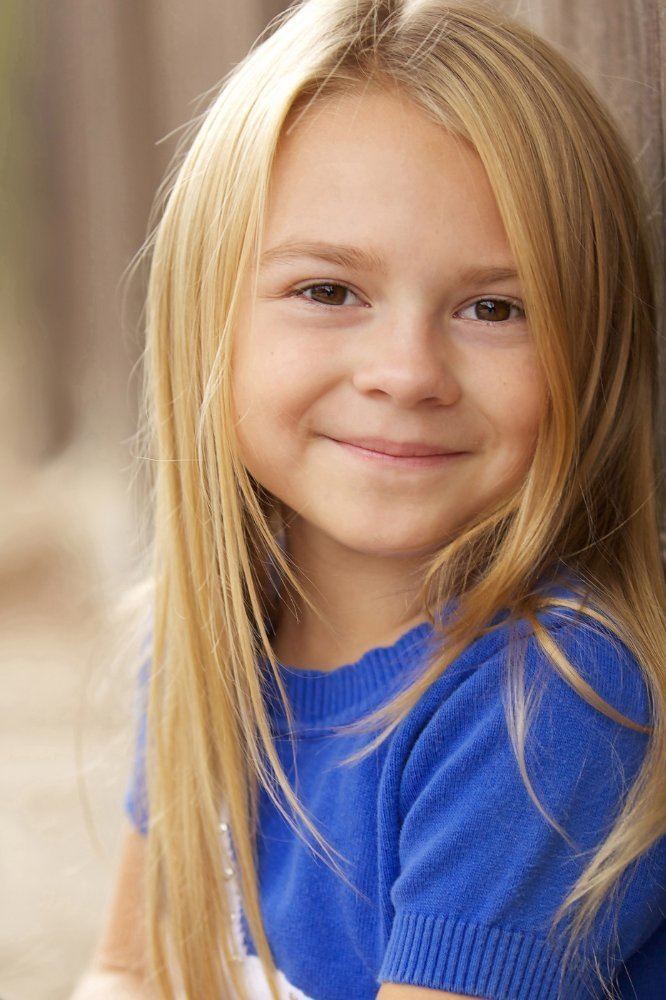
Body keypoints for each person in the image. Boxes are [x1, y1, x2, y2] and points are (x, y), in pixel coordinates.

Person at [69, 0, 666, 997]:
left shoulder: (548, 703)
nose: (405, 371)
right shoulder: (216, 631)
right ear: (203, 318)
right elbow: (131, 969)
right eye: (329, 290)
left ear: (592, 356)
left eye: (493, 307)